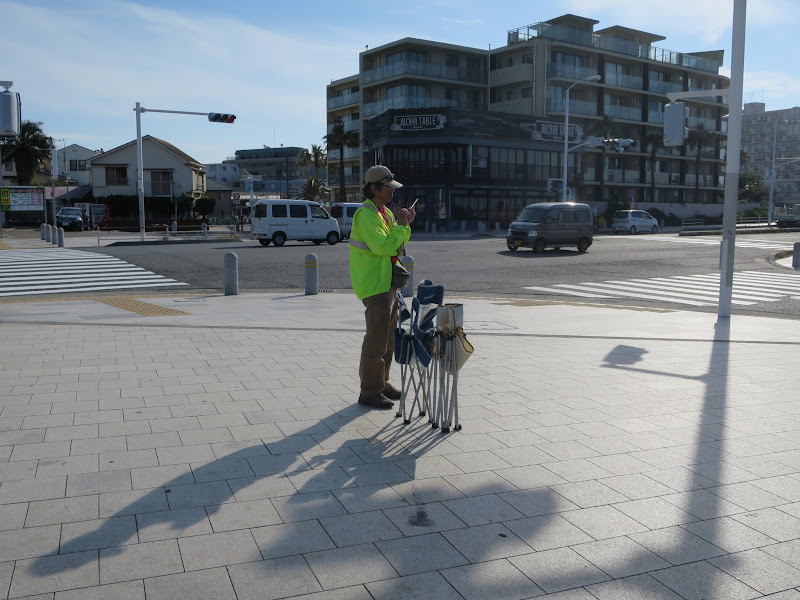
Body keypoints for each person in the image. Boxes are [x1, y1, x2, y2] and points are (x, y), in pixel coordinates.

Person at [349, 165, 416, 409]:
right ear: (374, 188)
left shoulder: (383, 212)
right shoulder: (366, 215)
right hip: (374, 285)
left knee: (388, 340)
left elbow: (397, 245)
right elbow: (383, 247)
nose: (392, 192)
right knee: (376, 341)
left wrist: (405, 224)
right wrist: (400, 226)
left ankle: (383, 383)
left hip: (386, 283)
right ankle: (369, 391)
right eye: (388, 187)